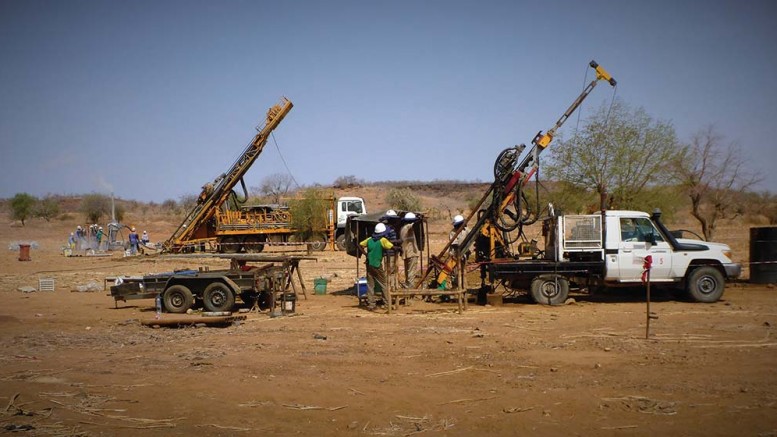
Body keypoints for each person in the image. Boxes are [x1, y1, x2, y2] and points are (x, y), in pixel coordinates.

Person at [359, 223, 394, 311]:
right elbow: (391, 247)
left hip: (369, 264)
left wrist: (366, 254)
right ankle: (387, 304)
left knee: (370, 284)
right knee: (384, 284)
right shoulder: (383, 240)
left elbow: (360, 245)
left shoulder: (369, 239)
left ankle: (371, 305)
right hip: (377, 265)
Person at [448, 215, 469, 289]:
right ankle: (456, 288)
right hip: (455, 255)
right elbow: (455, 245)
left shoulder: (466, 230)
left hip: (464, 255)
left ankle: (464, 287)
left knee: (463, 271)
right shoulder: (453, 232)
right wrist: (460, 252)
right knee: (455, 272)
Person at [399, 212, 420, 288]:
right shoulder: (408, 227)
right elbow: (414, 225)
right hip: (412, 253)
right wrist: (418, 219)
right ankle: (410, 288)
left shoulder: (402, 228)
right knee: (411, 272)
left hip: (406, 253)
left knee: (407, 272)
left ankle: (407, 286)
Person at [380, 210, 400, 289]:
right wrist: (397, 241)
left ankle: (393, 286)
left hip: (394, 252)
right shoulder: (386, 229)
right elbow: (385, 241)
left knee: (394, 270)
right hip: (389, 252)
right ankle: (388, 287)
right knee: (389, 270)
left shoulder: (392, 228)